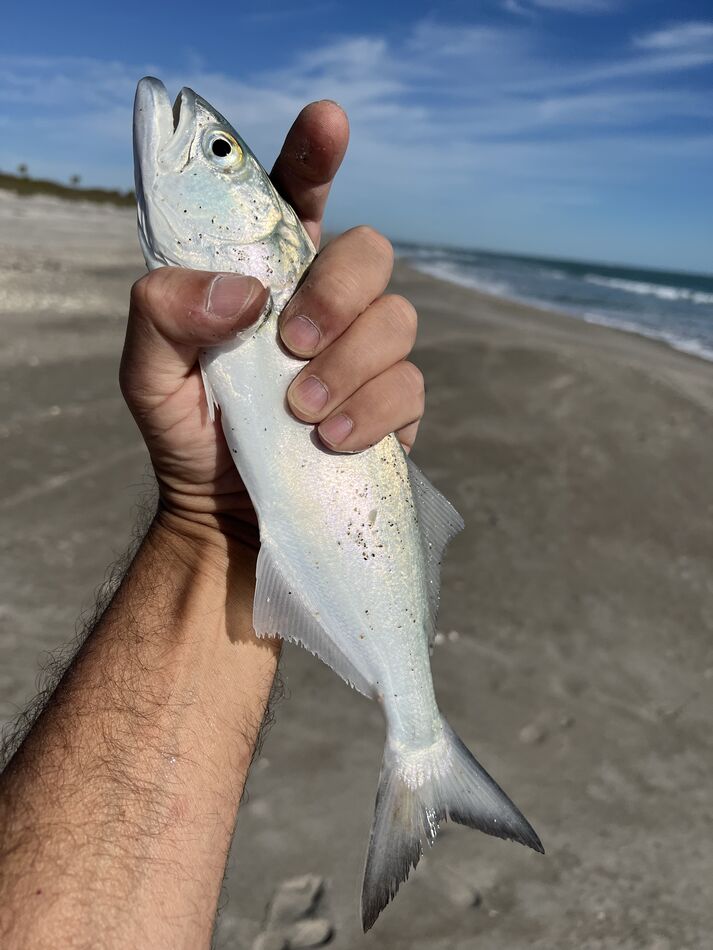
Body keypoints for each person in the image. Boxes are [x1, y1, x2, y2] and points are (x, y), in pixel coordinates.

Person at [0, 101, 424, 947]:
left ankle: (423, 741)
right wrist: (211, 520)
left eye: (216, 148)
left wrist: (220, 523)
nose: (185, 131)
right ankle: (422, 740)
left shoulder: (274, 270)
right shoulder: (219, 286)